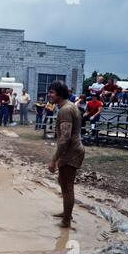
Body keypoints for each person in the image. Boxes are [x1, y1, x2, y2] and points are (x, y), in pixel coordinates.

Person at [47, 81, 85, 229]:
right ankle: (66, 213)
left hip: (71, 152)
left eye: (52, 92)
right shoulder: (68, 106)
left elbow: (64, 138)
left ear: (59, 94)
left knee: (67, 188)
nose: (49, 95)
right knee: (63, 182)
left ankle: (66, 221)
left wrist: (53, 160)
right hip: (71, 150)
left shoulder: (65, 110)